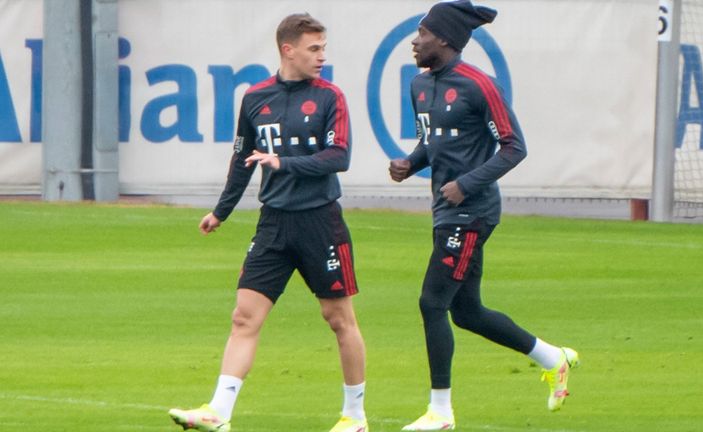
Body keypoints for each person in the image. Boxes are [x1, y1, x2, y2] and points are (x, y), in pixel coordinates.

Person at [169, 13, 368, 432]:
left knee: (339, 319)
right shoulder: (256, 98)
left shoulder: (330, 97)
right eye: (314, 49)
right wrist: (221, 211)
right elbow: (242, 158)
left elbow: (339, 157)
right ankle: (219, 412)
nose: (322, 56)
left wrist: (284, 162)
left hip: (320, 222)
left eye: (323, 48)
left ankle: (355, 417)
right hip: (273, 224)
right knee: (244, 317)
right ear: (287, 49)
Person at [389, 1, 580, 430]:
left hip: (472, 212)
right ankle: (554, 358)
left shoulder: (480, 85)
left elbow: (514, 147)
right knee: (467, 312)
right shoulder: (419, 85)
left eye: (422, 33)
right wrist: (410, 163)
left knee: (432, 303)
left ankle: (440, 412)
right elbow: (432, 143)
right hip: (446, 211)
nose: (415, 41)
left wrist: (467, 184)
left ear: (445, 39)